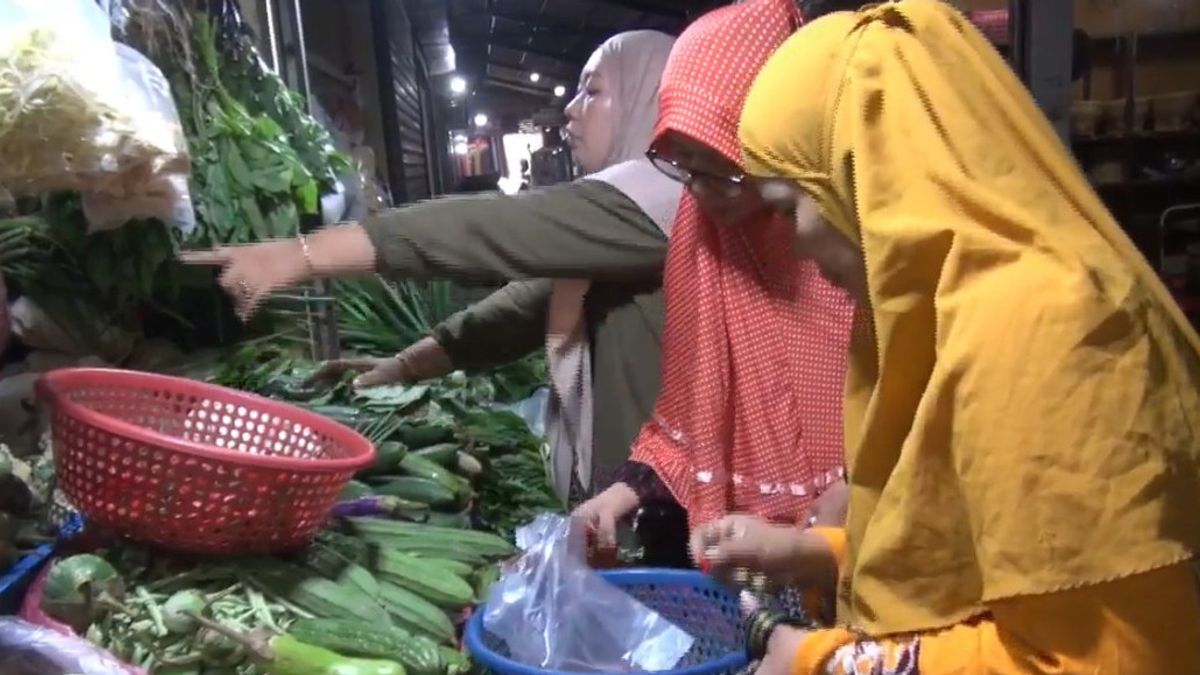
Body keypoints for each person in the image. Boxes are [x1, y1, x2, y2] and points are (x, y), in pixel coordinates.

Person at [708, 1, 1200, 672]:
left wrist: (825, 661)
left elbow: (1111, 657)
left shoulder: (1044, 329)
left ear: (863, 171)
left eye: (790, 207)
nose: (794, 246)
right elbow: (985, 550)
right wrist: (820, 553)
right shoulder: (943, 312)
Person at [182, 30, 681, 509]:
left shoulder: (662, 201)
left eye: (592, 91)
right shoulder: (629, 216)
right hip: (635, 500)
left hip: (673, 516)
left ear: (647, 98)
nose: (571, 109)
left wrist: (303, 255)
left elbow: (491, 229)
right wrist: (404, 368)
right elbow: (523, 308)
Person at [574, 0, 859, 574]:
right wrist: (618, 496)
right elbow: (685, 413)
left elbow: (922, 414)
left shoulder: (846, 236)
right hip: (750, 560)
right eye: (685, 166)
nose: (701, 191)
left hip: (873, 552)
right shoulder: (701, 234)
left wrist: (859, 492)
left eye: (723, 167)